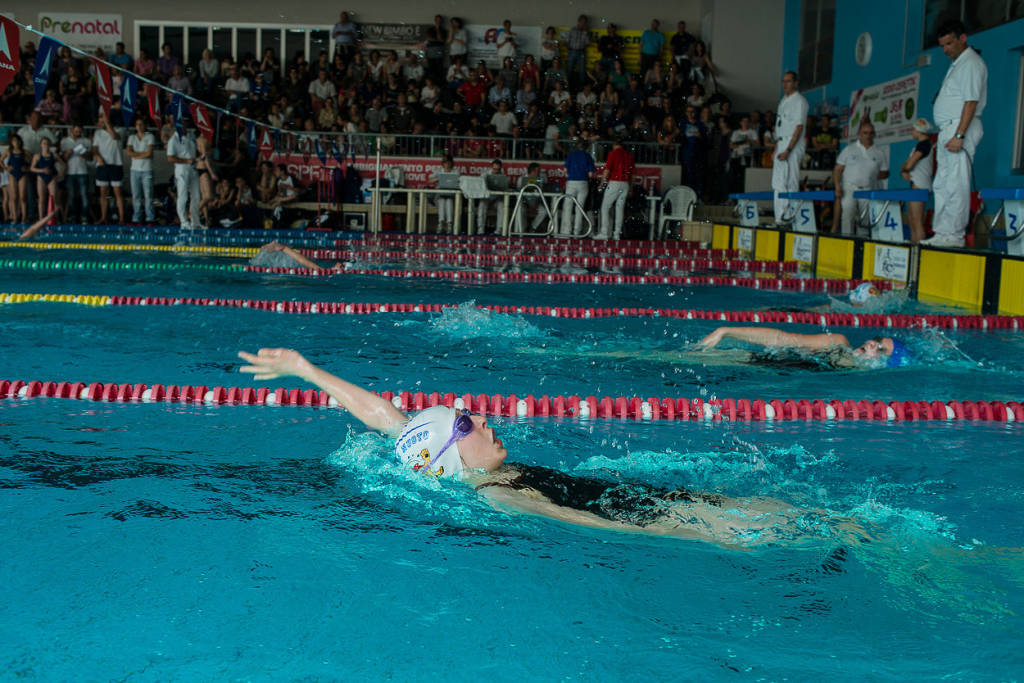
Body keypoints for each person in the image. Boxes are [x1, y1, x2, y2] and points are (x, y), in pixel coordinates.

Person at [235, 347, 845, 546]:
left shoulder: (435, 459)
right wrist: (698, 535)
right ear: (452, 455)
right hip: (639, 511)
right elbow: (584, 521)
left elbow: (389, 421)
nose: (486, 423)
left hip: (629, 493)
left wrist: (304, 368)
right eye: (470, 425)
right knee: (790, 522)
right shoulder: (502, 496)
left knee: (788, 513)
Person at [925, 20, 986, 248]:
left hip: (960, 128)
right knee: (941, 183)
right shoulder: (957, 64)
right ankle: (942, 231)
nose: (946, 50)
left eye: (949, 43)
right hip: (948, 129)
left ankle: (955, 235)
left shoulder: (971, 63)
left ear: (963, 38)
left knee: (956, 182)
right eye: (942, 46)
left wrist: (959, 135)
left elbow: (971, 102)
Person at [698, 326, 914, 370]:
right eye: (876, 339)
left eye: (881, 349)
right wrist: (725, 331)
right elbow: (785, 339)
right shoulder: (838, 342)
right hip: (757, 360)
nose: (871, 343)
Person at [832, 120, 889, 236]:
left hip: (867, 189)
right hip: (849, 187)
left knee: (865, 220)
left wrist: (873, 175)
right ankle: (846, 241)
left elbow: (885, 172)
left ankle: (861, 244)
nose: (868, 135)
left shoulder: (879, 153)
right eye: (865, 133)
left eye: (870, 133)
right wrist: (837, 186)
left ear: (874, 134)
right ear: (859, 134)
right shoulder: (849, 149)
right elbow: (837, 169)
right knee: (847, 216)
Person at [771, 71, 809, 225]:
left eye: (788, 81)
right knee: (778, 182)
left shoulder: (799, 101)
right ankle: (780, 217)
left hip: (792, 144)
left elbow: (799, 127)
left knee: (790, 181)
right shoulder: (783, 101)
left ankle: (790, 216)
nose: (785, 84)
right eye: (783, 81)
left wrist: (789, 149)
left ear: (795, 83)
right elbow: (780, 126)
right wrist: (777, 148)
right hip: (781, 142)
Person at [901, 118, 935, 244]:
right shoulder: (920, 145)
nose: (912, 131)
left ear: (919, 131)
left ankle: (918, 249)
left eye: (913, 129)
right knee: (911, 219)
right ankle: (913, 246)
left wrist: (904, 170)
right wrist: (904, 169)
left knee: (917, 221)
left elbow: (909, 165)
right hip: (916, 185)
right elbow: (906, 164)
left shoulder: (924, 145)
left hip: (920, 186)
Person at [598, 137, 635, 240]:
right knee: (619, 209)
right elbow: (632, 175)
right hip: (625, 185)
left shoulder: (613, 154)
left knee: (605, 207)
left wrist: (601, 184)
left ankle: (604, 233)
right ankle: (616, 234)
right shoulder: (629, 155)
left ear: (614, 144)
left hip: (614, 183)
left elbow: (607, 170)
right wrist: (631, 189)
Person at [92, 111, 125, 225]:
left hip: (116, 164)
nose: (100, 121)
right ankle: (103, 217)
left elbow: (114, 136)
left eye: (102, 118)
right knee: (103, 193)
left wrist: (107, 123)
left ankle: (121, 218)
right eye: (100, 119)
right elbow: (95, 148)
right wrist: (98, 157)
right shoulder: (98, 133)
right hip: (103, 165)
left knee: (117, 193)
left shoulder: (120, 130)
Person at [165, 125, 201, 230]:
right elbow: (170, 158)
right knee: (183, 196)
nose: (183, 127)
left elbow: (194, 152)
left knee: (196, 196)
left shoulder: (190, 136)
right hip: (182, 169)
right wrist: (186, 160)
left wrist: (199, 156)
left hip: (193, 168)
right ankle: (184, 222)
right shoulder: (174, 140)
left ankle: (195, 222)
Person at [125, 118, 156, 224]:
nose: (139, 126)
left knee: (148, 195)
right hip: (134, 170)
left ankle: (150, 217)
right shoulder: (132, 137)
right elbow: (128, 152)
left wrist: (136, 154)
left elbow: (149, 153)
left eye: (141, 124)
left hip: (147, 169)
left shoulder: (150, 136)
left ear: (145, 125)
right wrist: (143, 155)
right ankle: (136, 217)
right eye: (137, 124)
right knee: (136, 195)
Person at [562, 139, 596, 237]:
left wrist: (571, 176)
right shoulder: (588, 156)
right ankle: (577, 231)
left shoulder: (571, 155)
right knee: (579, 208)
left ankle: (566, 231)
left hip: (571, 182)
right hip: (583, 183)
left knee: (567, 207)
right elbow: (590, 174)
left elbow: (565, 170)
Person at [60, 124, 92, 224]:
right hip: (70, 172)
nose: (78, 133)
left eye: (80, 131)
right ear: (71, 130)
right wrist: (68, 153)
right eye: (76, 131)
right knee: (71, 195)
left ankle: (84, 216)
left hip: (83, 171)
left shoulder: (86, 141)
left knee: (84, 195)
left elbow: (91, 157)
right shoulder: (65, 141)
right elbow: (63, 159)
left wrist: (84, 155)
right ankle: (73, 215)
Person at [28, 137, 61, 221]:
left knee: (53, 198)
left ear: (49, 145)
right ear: (41, 145)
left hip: (51, 178)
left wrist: (59, 175)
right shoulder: (37, 156)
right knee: (41, 199)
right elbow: (31, 168)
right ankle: (41, 218)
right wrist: (42, 170)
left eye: (47, 143)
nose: (45, 145)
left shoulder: (54, 155)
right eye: (44, 143)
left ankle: (54, 218)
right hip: (41, 178)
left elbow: (64, 165)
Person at [476, 158, 509, 234]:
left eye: (498, 169)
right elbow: (480, 187)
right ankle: (480, 229)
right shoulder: (485, 175)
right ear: (491, 167)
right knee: (482, 204)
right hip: (486, 198)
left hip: (497, 200)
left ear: (500, 169)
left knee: (502, 205)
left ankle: (499, 230)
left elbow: (505, 190)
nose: (496, 171)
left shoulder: (503, 177)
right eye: (494, 169)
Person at [430, 155, 459, 233]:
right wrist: (438, 178)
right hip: (439, 195)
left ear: (451, 163)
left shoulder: (455, 171)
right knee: (442, 200)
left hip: (451, 195)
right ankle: (441, 223)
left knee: (448, 201)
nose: (447, 165)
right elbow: (430, 180)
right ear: (443, 163)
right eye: (445, 163)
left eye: (448, 163)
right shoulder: (439, 171)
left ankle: (449, 224)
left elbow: (458, 182)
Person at [566, 15, 590, 89]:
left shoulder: (586, 32)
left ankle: (581, 88)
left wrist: (586, 32)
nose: (583, 23)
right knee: (569, 70)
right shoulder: (572, 29)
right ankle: (567, 87)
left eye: (585, 22)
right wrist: (569, 48)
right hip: (572, 51)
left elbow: (587, 42)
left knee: (582, 72)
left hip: (581, 52)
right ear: (579, 21)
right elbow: (567, 40)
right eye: (582, 21)